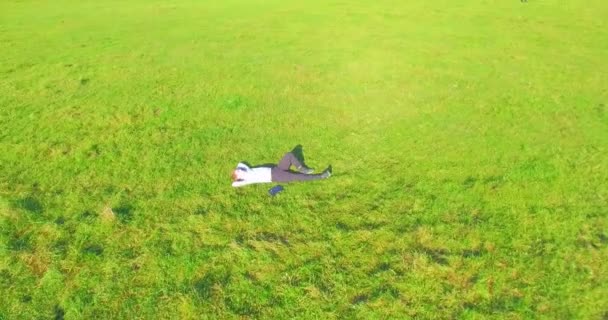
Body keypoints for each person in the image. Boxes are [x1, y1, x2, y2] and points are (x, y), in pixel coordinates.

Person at [231, 148, 332, 187]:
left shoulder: (247, 169)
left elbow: (241, 163)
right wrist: (237, 177)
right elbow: (234, 184)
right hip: (276, 177)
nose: (239, 170)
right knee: (298, 177)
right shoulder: (247, 179)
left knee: (289, 155)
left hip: (276, 169)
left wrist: (238, 170)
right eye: (238, 172)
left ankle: (302, 168)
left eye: (238, 169)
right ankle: (322, 176)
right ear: (239, 178)